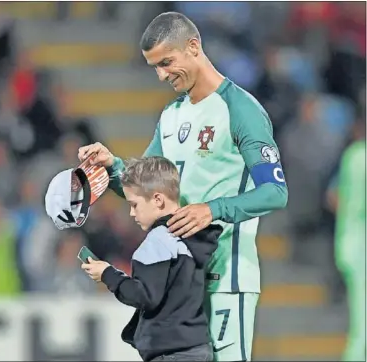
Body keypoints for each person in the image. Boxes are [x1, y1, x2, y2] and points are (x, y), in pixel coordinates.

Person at [78, 12, 288, 361]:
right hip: (178, 285)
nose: (161, 75)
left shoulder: (240, 110)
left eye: (166, 62)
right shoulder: (171, 117)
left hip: (225, 273)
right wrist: (111, 165)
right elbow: (142, 188)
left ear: (193, 47)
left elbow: (275, 192)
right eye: (154, 67)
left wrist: (212, 210)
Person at [81, 157, 222, 362]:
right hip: (197, 347)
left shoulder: (158, 240)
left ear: (158, 200)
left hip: (170, 353)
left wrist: (107, 274)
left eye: (134, 205)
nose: (131, 212)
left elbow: (144, 295)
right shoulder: (192, 236)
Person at [334, 119, 366, 362]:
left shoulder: (352, 155)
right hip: (361, 247)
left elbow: (333, 197)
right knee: (362, 321)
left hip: (347, 240)